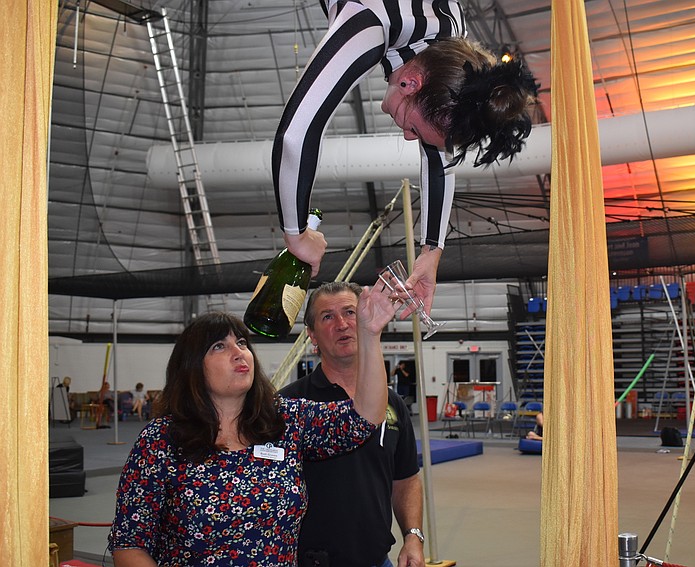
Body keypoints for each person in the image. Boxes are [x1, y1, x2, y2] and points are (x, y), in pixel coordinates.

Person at [272, 0, 538, 314]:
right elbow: (296, 133)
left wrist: (432, 251)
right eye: (412, 127)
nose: (407, 136)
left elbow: (440, 159)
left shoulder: (451, 43)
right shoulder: (369, 23)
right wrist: (297, 233)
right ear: (410, 83)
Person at [107, 285, 395, 567]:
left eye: (242, 343)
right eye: (220, 346)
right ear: (192, 366)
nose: (238, 352)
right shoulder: (161, 440)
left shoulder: (284, 420)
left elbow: (364, 417)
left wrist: (369, 336)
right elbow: (129, 545)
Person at [279, 282, 424, 567]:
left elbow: (406, 479)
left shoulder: (392, 404)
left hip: (377, 560)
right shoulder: (288, 406)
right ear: (312, 336)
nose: (342, 324)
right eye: (327, 317)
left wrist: (413, 536)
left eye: (350, 312)